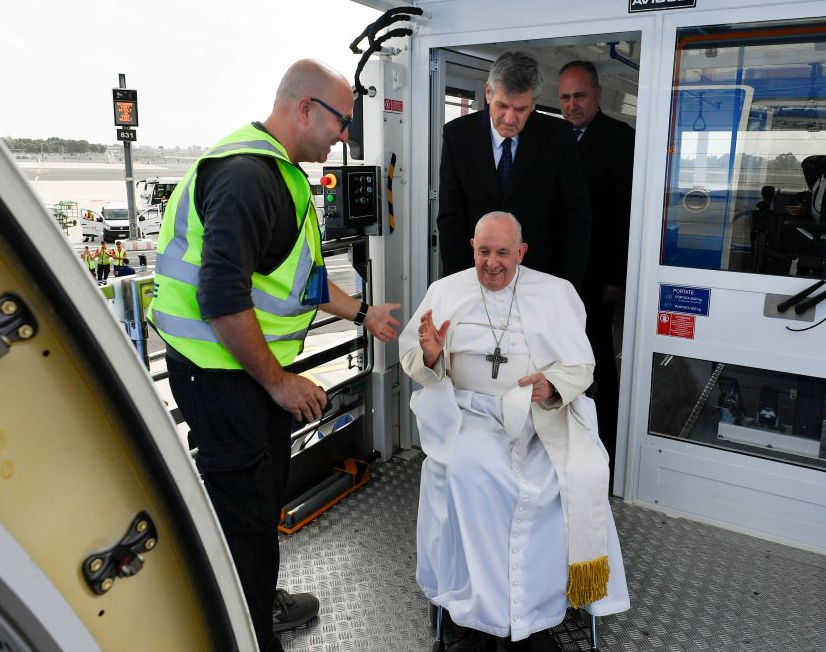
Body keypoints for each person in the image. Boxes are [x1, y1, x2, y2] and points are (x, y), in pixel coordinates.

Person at [146, 59, 401, 652]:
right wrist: (281, 382)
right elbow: (222, 298)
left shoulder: (278, 174)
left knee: (259, 506)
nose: (344, 137)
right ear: (305, 108)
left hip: (243, 376)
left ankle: (258, 600)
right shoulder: (247, 178)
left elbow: (301, 279)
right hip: (221, 376)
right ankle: (248, 633)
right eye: (342, 122)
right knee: (242, 517)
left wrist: (364, 316)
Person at [400, 212, 629, 651]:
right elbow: (416, 360)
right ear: (472, 248)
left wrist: (552, 384)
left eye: (503, 252)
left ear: (521, 252)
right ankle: (480, 618)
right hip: (468, 414)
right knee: (472, 471)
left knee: (556, 481)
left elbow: (581, 365)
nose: (492, 263)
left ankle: (535, 616)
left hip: (539, 417)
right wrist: (430, 357)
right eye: (483, 252)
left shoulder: (555, 293)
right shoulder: (444, 292)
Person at [437, 51, 590, 290]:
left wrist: (567, 287)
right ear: (488, 93)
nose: (509, 118)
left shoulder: (559, 137)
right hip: (476, 276)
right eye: (502, 106)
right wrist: (456, 285)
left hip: (541, 277)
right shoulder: (458, 135)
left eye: (520, 109)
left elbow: (576, 218)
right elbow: (450, 218)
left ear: (534, 102)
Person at [557, 61, 636, 476]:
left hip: (597, 275)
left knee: (597, 357)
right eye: (566, 97)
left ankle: (607, 445)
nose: (572, 105)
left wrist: (616, 278)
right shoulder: (551, 136)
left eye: (580, 96)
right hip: (557, 274)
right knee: (556, 353)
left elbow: (625, 216)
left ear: (599, 96)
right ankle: (562, 432)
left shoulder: (620, 140)